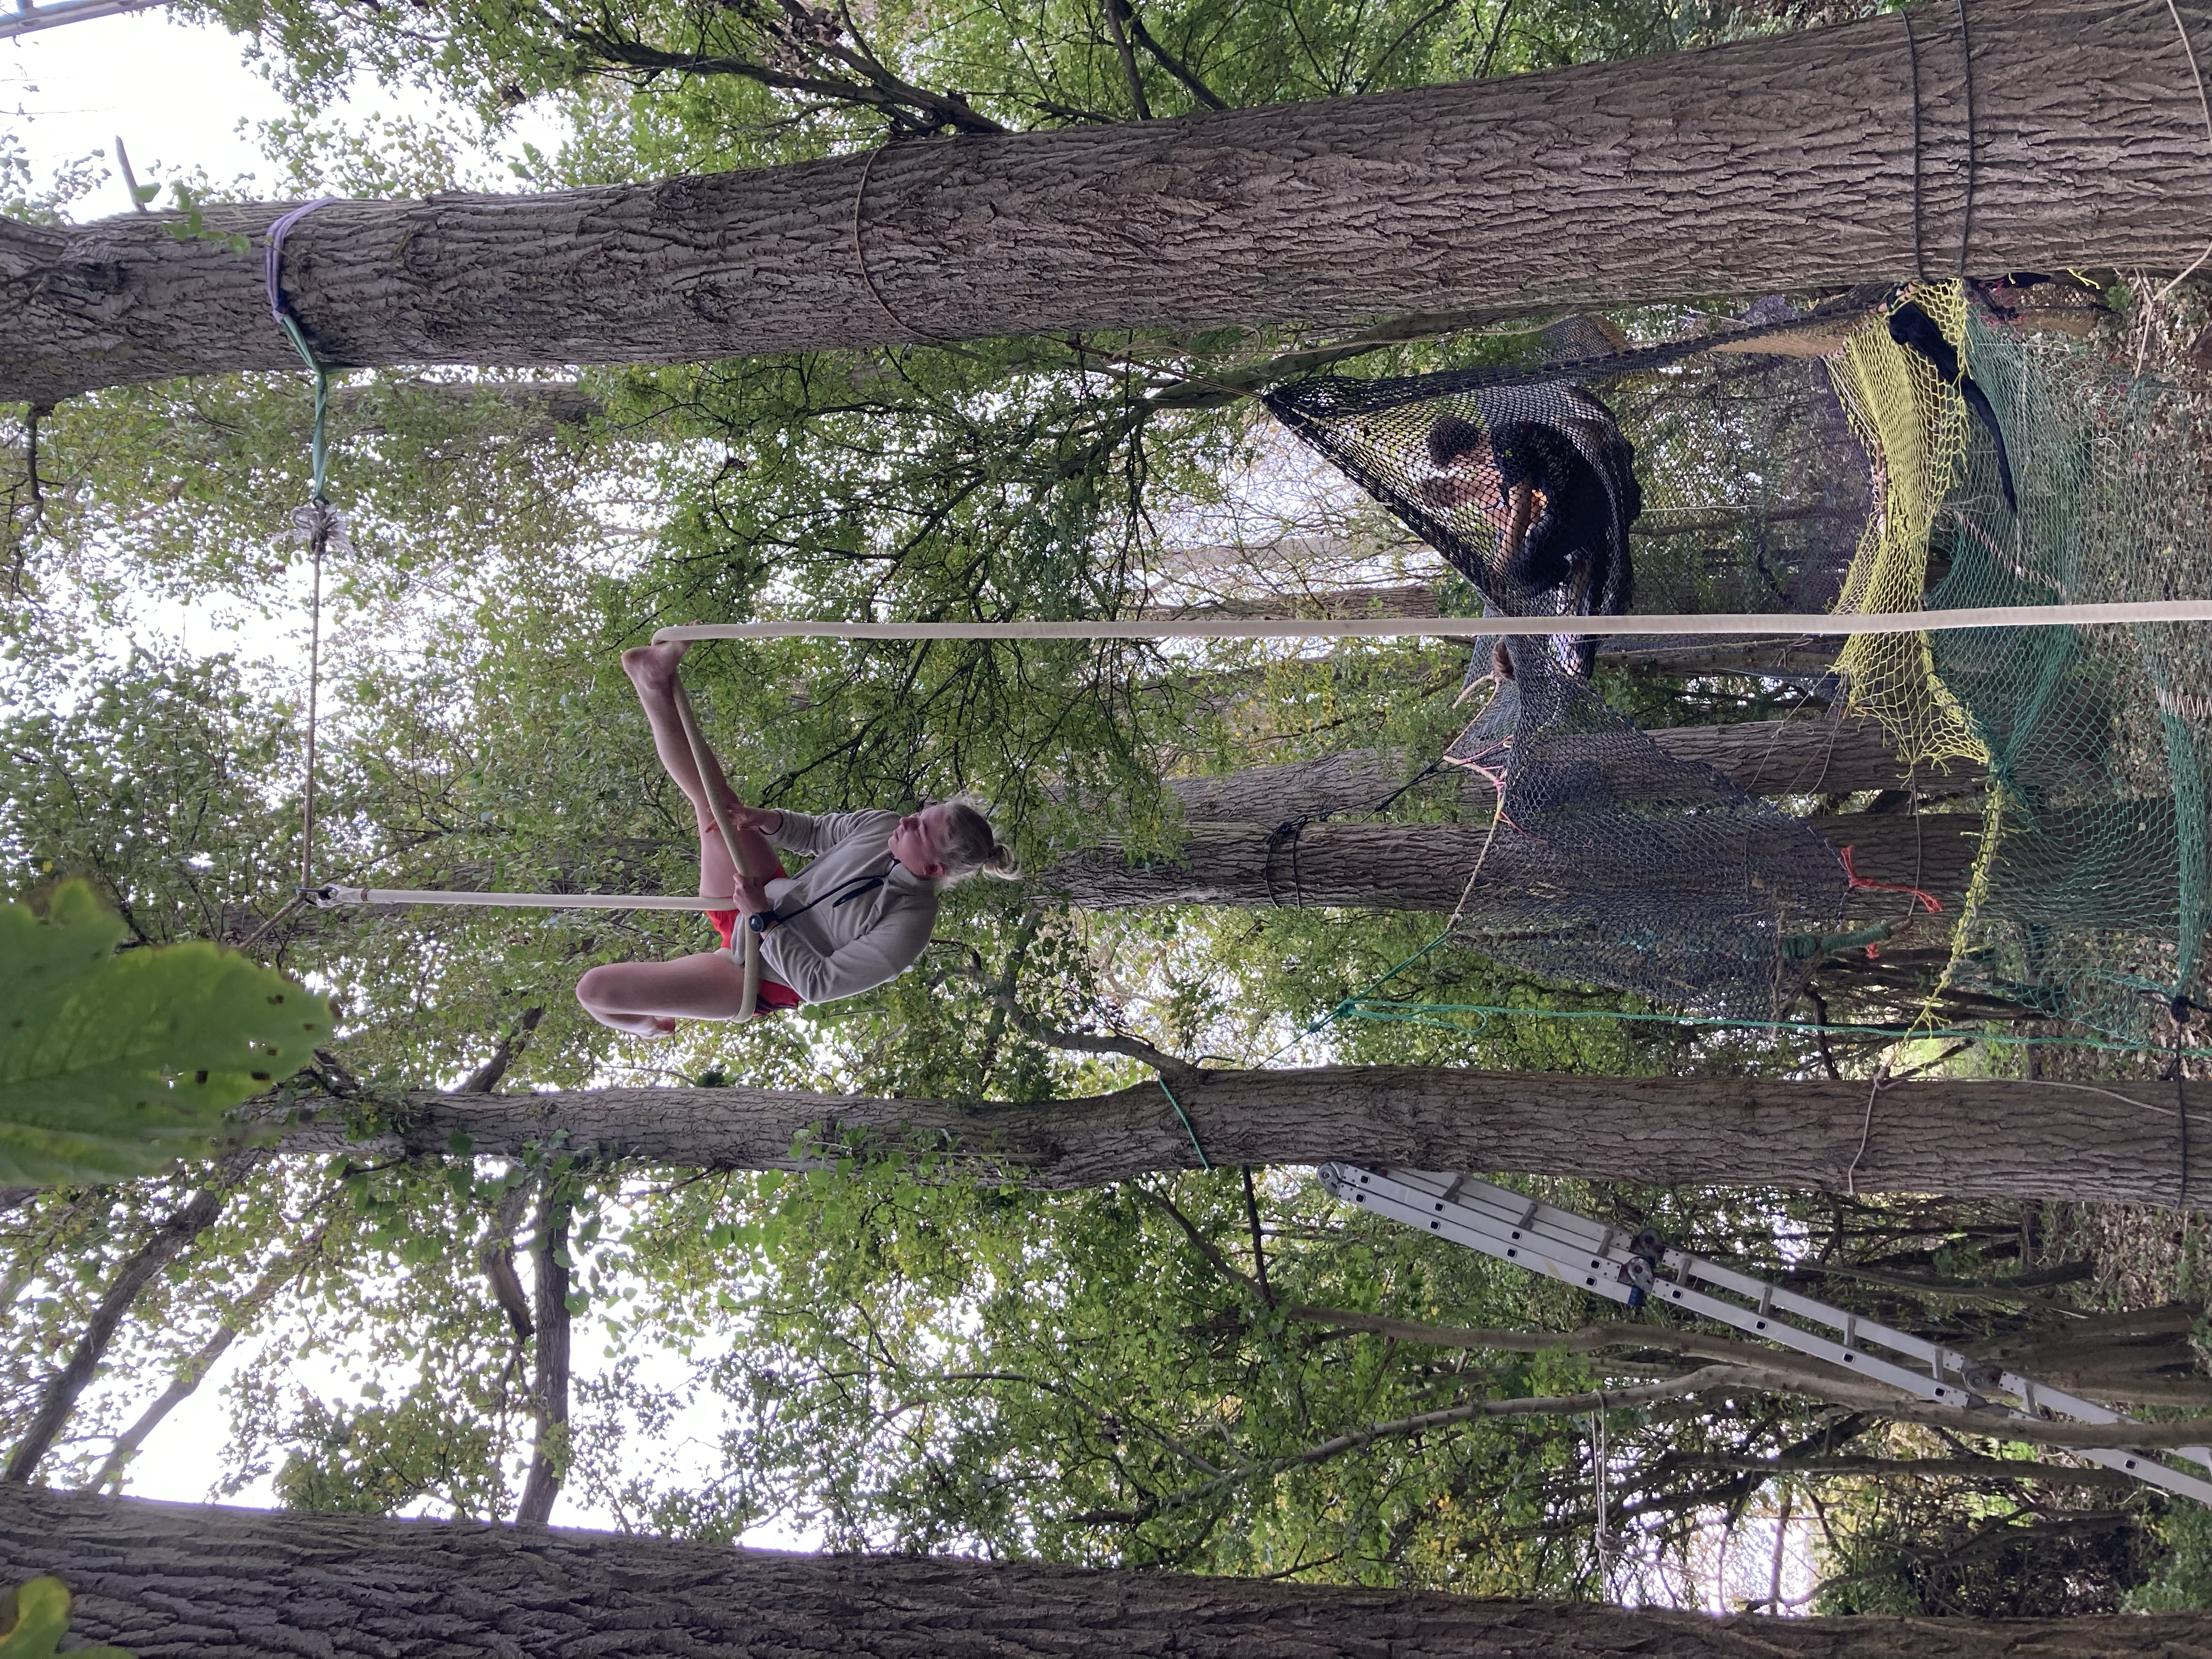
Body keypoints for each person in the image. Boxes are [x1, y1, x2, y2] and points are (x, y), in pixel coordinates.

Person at [575, 638, 1016, 1036]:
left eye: (921, 827)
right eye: (921, 812)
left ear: (934, 868)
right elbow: (819, 832)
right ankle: (652, 679)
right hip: (760, 895)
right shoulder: (884, 825)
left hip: (759, 974)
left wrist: (765, 921)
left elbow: (819, 984)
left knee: (594, 991)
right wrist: (764, 819)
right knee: (717, 809)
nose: (908, 820)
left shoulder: (910, 926)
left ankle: (648, 1028)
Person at [1417, 386, 1641, 676]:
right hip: (1574, 512)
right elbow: (1523, 517)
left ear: (1458, 457)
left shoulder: (1503, 440)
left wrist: (1496, 571)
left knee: (1516, 570)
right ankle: (1539, 626)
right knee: (1524, 566)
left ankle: (1563, 586)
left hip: (1582, 500)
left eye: (1453, 471)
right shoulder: (1498, 456)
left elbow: (1523, 508)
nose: (1459, 477)